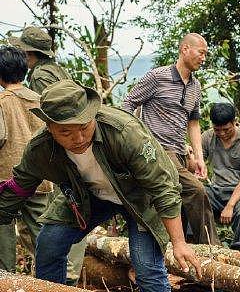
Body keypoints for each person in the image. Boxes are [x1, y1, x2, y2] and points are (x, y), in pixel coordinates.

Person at [0, 80, 202, 290]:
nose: (78, 138)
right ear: (49, 128)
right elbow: (18, 188)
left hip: (141, 198)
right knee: (49, 244)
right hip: (87, 196)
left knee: (146, 267)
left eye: (84, 127)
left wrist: (179, 243)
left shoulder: (124, 132)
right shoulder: (40, 150)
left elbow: (162, 188)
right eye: (66, 132)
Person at [122, 33, 219, 245]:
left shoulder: (195, 86)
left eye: (205, 54)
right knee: (197, 191)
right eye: (201, 52)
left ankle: (178, 256)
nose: (204, 58)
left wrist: (199, 158)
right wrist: (136, 140)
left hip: (180, 152)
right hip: (158, 150)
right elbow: (128, 103)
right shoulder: (157, 77)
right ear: (185, 49)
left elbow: (193, 123)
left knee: (177, 202)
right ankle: (213, 250)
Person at [9, 27, 86, 284]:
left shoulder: (41, 76)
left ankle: (63, 276)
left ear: (30, 53)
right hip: (70, 145)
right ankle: (65, 274)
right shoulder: (56, 70)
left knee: (56, 219)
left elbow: (51, 116)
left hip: (60, 147)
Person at [0, 45, 52, 271]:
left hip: (7, 180)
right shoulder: (41, 99)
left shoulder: (2, 101)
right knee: (41, 234)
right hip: (41, 178)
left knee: (2, 229)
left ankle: (6, 276)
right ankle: (49, 279)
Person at [201, 103, 240, 252]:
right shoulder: (207, 137)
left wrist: (230, 205)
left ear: (235, 122)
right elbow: (197, 161)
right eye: (217, 130)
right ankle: (197, 243)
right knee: (194, 197)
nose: (221, 133)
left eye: (226, 129)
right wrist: (193, 161)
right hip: (217, 189)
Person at [8, 26, 70, 94]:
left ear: (28, 53)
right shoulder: (57, 69)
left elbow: (46, 103)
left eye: (21, 49)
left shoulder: (39, 76)